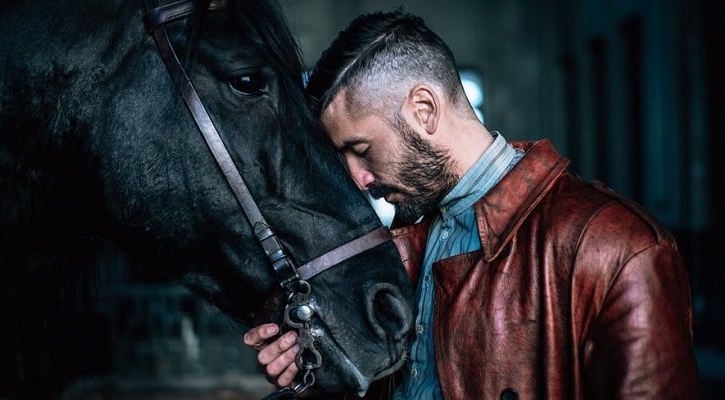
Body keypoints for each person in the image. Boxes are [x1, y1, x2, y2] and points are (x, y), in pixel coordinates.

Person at [243, 10, 700, 399]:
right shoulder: (397, 249)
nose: (359, 180)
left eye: (362, 150)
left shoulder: (619, 248)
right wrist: (319, 374)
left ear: (424, 110)